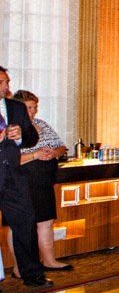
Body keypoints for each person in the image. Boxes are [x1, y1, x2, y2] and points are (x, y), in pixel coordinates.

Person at [10, 90, 69, 272]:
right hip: (21, 184)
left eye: (35, 107)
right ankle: (19, 267)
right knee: (20, 226)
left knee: (46, 222)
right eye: (29, 108)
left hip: (43, 182)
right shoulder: (11, 129)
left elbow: (61, 146)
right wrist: (35, 154)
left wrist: (54, 152)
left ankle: (49, 261)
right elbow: (10, 160)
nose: (33, 111)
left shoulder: (42, 124)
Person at [0, 68, 48, 287]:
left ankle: (33, 275)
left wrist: (20, 137)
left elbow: (31, 136)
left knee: (26, 224)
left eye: (7, 82)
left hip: (12, 177)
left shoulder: (16, 108)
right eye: (2, 82)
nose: (6, 87)